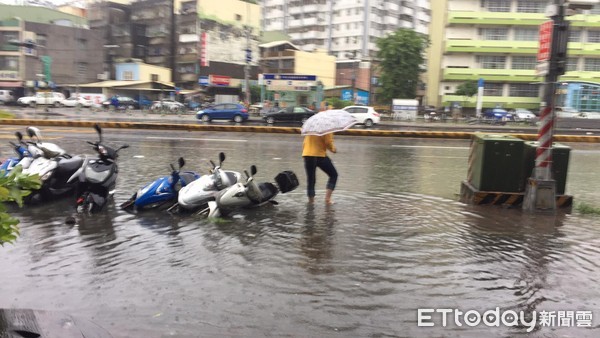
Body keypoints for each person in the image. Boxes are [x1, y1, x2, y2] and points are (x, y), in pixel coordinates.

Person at [302, 132, 338, 205]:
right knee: (333, 175)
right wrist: (333, 149)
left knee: (311, 180)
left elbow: (305, 142)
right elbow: (328, 142)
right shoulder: (327, 128)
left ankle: (311, 201)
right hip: (319, 155)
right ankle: (328, 199)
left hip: (307, 155)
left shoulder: (311, 127)